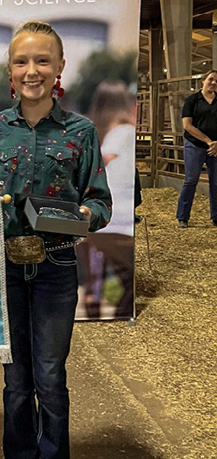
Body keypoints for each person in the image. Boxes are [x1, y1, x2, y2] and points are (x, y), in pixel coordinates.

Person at [0, 21, 112, 459]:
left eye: (43, 61)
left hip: (55, 267)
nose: (33, 71)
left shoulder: (81, 133)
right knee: (14, 382)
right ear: (10, 71)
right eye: (22, 62)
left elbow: (101, 202)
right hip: (3, 266)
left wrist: (83, 217)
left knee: (50, 379)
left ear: (59, 69)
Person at [79, 81, 136, 319]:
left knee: (92, 242)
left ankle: (93, 295)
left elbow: (96, 166)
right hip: (123, 220)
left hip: (105, 218)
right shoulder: (126, 131)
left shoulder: (103, 132)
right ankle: (108, 304)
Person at [175, 69, 217, 227]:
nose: (213, 83)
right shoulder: (192, 100)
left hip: (215, 147)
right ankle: (183, 217)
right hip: (195, 145)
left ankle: (216, 216)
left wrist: (216, 143)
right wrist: (208, 141)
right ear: (203, 80)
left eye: (216, 81)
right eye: (211, 79)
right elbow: (187, 126)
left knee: (216, 182)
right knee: (191, 180)